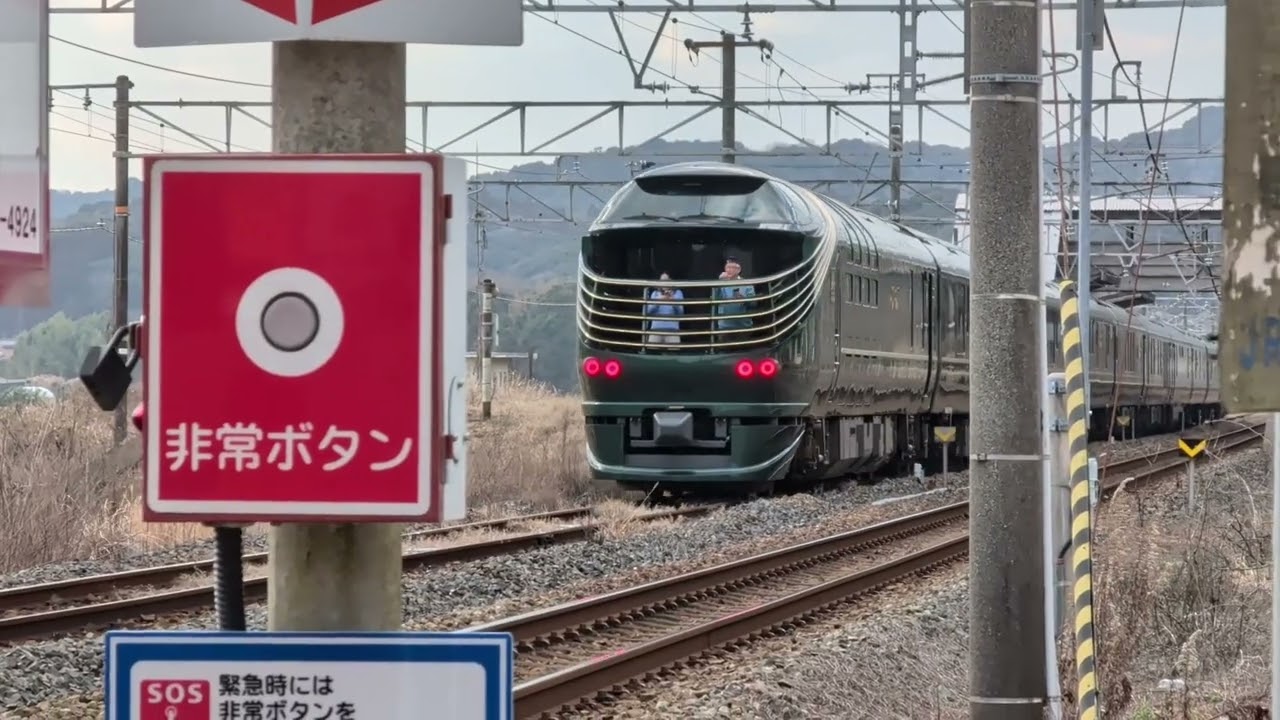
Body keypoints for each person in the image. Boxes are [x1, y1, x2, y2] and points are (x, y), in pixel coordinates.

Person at [714, 257, 755, 333]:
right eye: (727, 267)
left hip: (744, 326)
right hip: (724, 327)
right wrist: (718, 283)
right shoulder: (720, 283)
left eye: (732, 267)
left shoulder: (747, 283)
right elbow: (714, 299)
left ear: (739, 270)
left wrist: (744, 299)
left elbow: (754, 304)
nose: (729, 270)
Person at [644, 272, 684, 345]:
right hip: (655, 331)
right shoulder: (655, 293)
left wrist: (673, 301)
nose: (663, 283)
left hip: (672, 331)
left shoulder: (678, 293)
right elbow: (648, 312)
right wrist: (659, 301)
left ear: (671, 281)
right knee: (652, 352)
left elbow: (681, 313)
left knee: (673, 354)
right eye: (661, 280)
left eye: (666, 280)